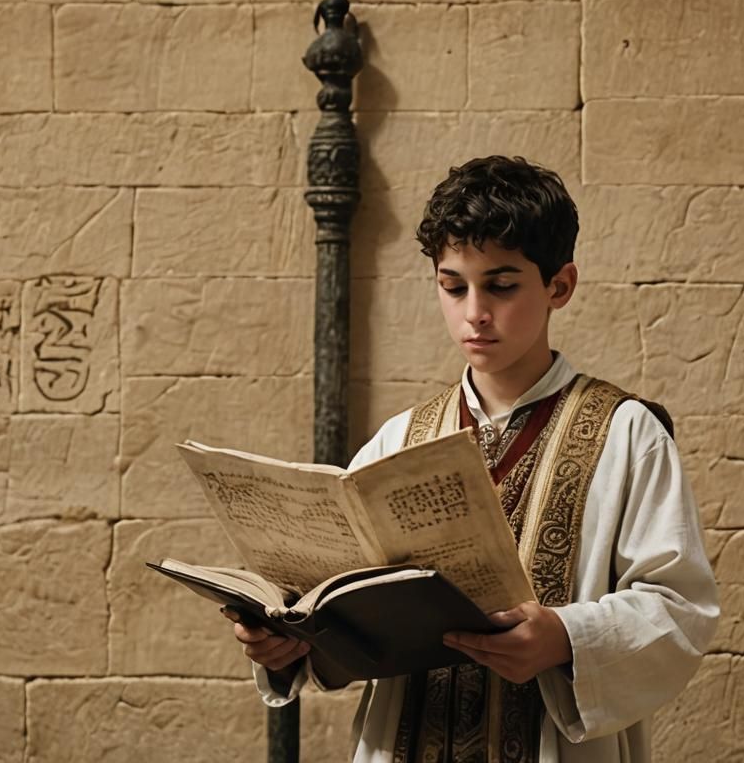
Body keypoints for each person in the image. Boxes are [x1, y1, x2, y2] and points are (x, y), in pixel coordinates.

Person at [229, 156, 719, 762]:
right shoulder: (401, 440)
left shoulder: (627, 433)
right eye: (453, 285)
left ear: (559, 285)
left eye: (502, 285)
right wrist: (293, 644)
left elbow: (680, 607)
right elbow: (353, 613)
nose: (474, 313)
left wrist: (566, 637)